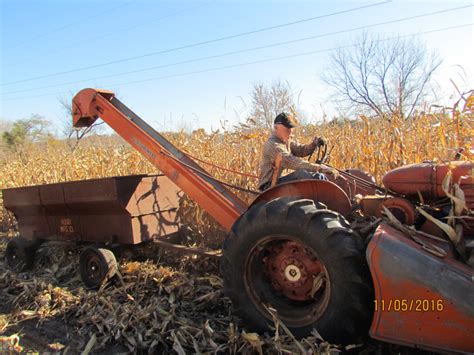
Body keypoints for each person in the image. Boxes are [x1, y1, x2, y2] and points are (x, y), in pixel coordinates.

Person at [257, 112, 336, 191]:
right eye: (287, 128)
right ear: (276, 127)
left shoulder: (285, 141)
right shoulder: (273, 145)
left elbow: (301, 150)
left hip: (279, 180)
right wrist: (319, 168)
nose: (290, 131)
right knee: (301, 174)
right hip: (269, 186)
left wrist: (314, 144)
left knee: (317, 177)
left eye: (291, 128)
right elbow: (292, 162)